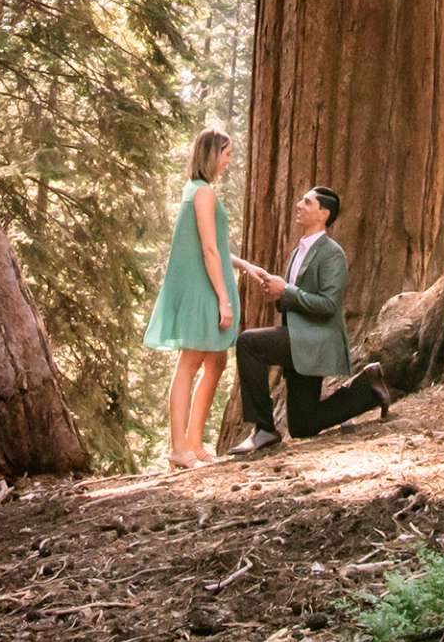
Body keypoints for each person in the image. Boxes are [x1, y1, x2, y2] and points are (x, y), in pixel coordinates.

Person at [230, 185, 391, 454]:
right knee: (303, 425)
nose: (299, 205)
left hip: (316, 339)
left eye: (307, 202)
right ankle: (368, 389)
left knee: (248, 343)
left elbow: (329, 305)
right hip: (299, 338)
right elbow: (296, 296)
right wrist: (277, 293)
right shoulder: (298, 251)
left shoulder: (332, 253)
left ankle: (264, 429)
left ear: (324, 214)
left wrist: (287, 291)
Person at [144, 127, 240, 467]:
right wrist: (223, 298)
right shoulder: (202, 194)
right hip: (203, 289)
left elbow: (216, 245)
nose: (229, 161)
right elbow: (208, 249)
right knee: (191, 361)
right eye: (226, 153)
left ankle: (195, 444)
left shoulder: (197, 191)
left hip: (206, 285)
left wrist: (247, 267)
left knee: (216, 361)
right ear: (212, 154)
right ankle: (180, 448)